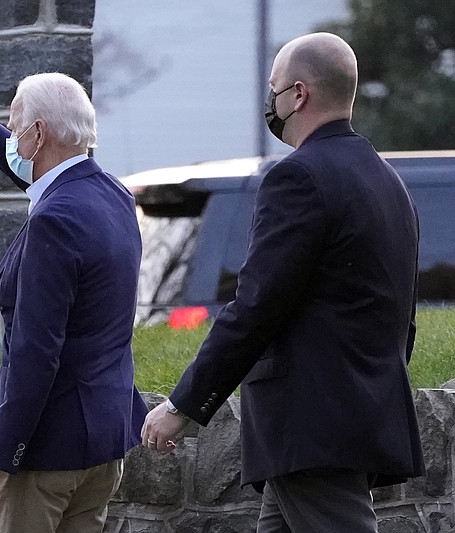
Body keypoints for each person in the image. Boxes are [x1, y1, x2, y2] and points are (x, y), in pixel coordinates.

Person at [141, 32, 425, 532]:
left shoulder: (297, 178)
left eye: (273, 88)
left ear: (298, 95)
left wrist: (184, 404)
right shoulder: (388, 182)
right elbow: (403, 316)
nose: (268, 101)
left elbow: (255, 306)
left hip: (312, 425)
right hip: (351, 418)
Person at [0, 47, 149, 533]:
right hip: (101, 446)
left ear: (39, 134)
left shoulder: (54, 222)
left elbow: (36, 353)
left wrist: (0, 457)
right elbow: (47, 183)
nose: (13, 138)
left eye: (16, 128)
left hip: (45, 455)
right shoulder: (113, 196)